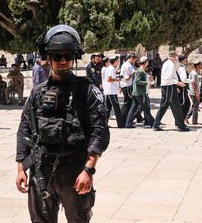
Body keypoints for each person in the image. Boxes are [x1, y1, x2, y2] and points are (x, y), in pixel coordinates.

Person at [15, 24, 110, 223]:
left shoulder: (87, 91)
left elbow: (100, 132)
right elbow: (25, 128)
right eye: (57, 56)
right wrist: (21, 167)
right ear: (48, 58)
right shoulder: (37, 92)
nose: (63, 61)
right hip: (41, 169)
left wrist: (88, 170)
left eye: (68, 56)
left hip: (75, 171)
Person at [152, 51, 189, 131]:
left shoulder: (167, 63)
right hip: (169, 87)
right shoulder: (170, 64)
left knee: (165, 105)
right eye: (176, 56)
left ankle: (156, 125)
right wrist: (178, 83)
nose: (177, 58)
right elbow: (168, 78)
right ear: (173, 56)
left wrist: (175, 86)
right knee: (176, 106)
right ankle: (181, 126)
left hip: (168, 87)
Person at [126, 56, 154, 128]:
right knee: (146, 108)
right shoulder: (140, 71)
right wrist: (146, 83)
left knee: (134, 108)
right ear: (145, 62)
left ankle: (128, 123)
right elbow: (137, 81)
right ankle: (153, 123)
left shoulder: (141, 70)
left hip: (137, 92)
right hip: (140, 93)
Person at [104, 56, 124, 128]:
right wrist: (117, 79)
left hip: (110, 91)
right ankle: (120, 124)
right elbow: (109, 79)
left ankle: (104, 123)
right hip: (111, 91)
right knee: (116, 108)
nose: (118, 62)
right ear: (114, 61)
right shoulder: (111, 69)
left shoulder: (111, 68)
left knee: (108, 108)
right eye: (117, 61)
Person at [119, 53, 137, 125]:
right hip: (127, 86)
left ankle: (126, 120)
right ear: (130, 58)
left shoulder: (129, 65)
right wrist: (133, 73)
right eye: (133, 59)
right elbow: (126, 78)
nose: (134, 61)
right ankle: (123, 120)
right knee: (127, 104)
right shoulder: (127, 66)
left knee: (128, 103)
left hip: (127, 86)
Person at [186, 60, 202, 125]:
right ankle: (194, 121)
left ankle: (186, 117)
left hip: (193, 92)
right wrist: (197, 93)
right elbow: (193, 84)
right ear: (197, 65)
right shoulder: (194, 74)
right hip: (194, 93)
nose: (201, 66)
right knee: (196, 108)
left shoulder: (193, 72)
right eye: (200, 65)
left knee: (194, 106)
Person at [177, 55, 191, 126]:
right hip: (182, 89)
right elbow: (184, 79)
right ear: (182, 60)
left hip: (182, 89)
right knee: (184, 105)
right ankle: (180, 122)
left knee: (185, 104)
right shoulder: (182, 68)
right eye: (186, 60)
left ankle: (180, 121)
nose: (186, 61)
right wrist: (191, 80)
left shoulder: (180, 67)